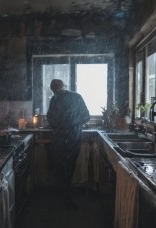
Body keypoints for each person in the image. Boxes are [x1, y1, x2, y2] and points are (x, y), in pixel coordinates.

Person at [46, 79, 90, 210]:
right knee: (68, 168)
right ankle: (66, 198)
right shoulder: (76, 97)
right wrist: (73, 123)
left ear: (53, 89)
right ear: (64, 86)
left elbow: (49, 118)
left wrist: (60, 125)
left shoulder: (54, 99)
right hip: (73, 138)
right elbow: (86, 117)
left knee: (60, 168)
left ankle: (62, 197)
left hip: (59, 139)